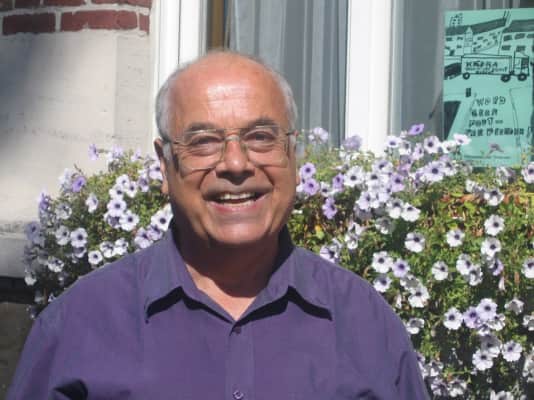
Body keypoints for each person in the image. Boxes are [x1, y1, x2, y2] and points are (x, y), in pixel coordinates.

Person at [8, 51, 429, 399]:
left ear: (293, 154)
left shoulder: (363, 324)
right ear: (164, 164)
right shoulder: (81, 325)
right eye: (203, 142)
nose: (235, 164)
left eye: (261, 137)